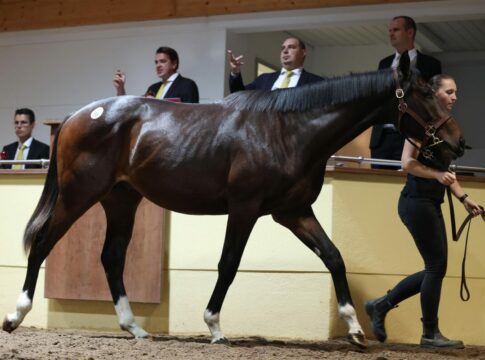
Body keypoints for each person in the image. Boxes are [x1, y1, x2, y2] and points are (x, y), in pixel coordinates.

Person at [365, 74, 484, 348]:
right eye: (450, 92)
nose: (455, 97)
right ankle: (428, 332)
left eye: (456, 92)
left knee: (436, 268)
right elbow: (407, 163)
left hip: (430, 202)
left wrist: (463, 197)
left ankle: (381, 306)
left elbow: (446, 170)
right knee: (436, 267)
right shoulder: (420, 125)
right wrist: (434, 175)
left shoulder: (442, 126)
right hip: (415, 201)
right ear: (435, 93)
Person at [370, 16, 442, 169]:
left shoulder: (431, 64)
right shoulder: (384, 63)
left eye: (396, 30)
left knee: (406, 184)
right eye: (389, 30)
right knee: (378, 185)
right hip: (382, 138)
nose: (391, 34)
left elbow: (433, 101)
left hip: (412, 136)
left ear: (410, 32)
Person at [227, 36, 323, 93]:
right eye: (283, 48)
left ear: (303, 52)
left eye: (291, 47)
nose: (285, 51)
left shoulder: (317, 83)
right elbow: (239, 95)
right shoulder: (264, 79)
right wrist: (235, 72)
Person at [113, 46, 199, 103]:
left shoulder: (187, 85)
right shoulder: (153, 88)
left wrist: (157, 105)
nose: (158, 65)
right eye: (156, 62)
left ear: (174, 64)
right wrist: (120, 89)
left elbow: (192, 116)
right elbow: (135, 109)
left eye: (163, 61)